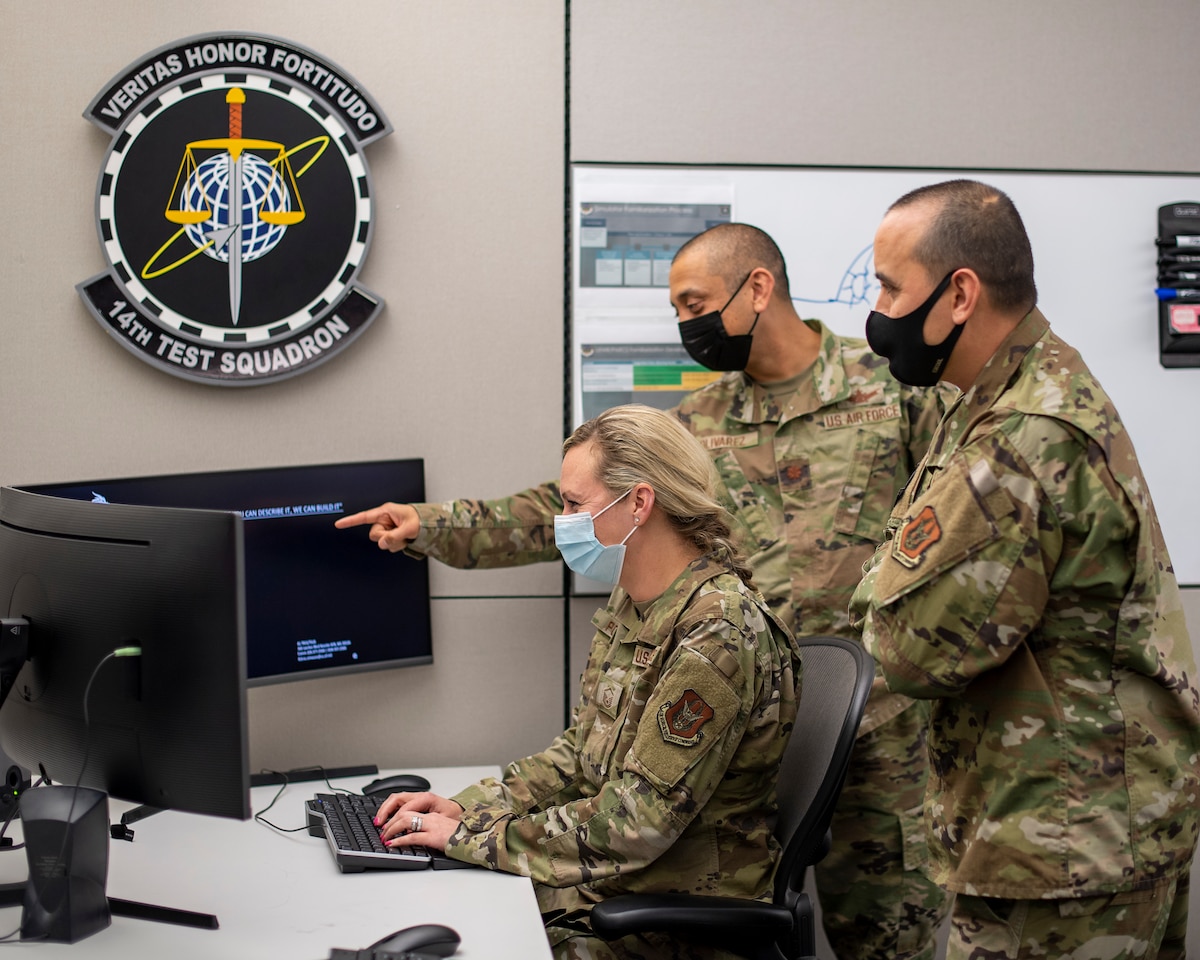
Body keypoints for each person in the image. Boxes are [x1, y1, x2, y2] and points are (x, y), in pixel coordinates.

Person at [337, 222, 952, 960]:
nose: (686, 324)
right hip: (717, 726)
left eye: (695, 303)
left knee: (890, 938)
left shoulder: (894, 394)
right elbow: (566, 503)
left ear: (757, 288)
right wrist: (432, 525)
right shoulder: (696, 429)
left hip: (875, 719)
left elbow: (955, 522)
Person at [848, 178, 1200, 959]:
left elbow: (913, 650)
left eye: (889, 286)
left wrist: (872, 600)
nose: (876, 311)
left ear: (960, 294)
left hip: (1066, 843)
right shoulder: (1000, 394)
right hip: (1085, 824)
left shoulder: (1024, 434)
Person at [373, 404, 802, 960]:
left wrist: (478, 838)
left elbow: (637, 822)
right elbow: (580, 759)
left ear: (639, 504)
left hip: (669, 926)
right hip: (608, 890)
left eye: (576, 505)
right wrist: (468, 808)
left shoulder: (716, 633)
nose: (563, 521)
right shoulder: (639, 601)